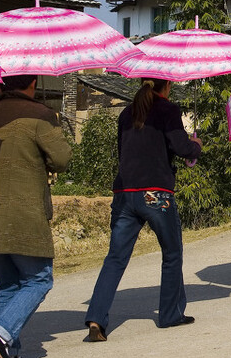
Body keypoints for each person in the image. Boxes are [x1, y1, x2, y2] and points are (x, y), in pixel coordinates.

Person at [84, 78, 202, 342]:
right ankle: (170, 314)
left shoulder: (127, 113)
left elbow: (122, 152)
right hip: (155, 193)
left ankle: (96, 318)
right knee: (171, 252)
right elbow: (181, 148)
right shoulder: (167, 110)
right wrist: (197, 146)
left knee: (115, 258)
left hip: (125, 193)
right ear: (167, 86)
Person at [0, 75, 72, 358]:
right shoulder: (40, 114)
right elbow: (63, 158)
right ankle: (0, 333)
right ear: (33, 83)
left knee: (8, 285)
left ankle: (8, 352)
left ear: (1, 85)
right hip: (22, 211)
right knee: (39, 279)